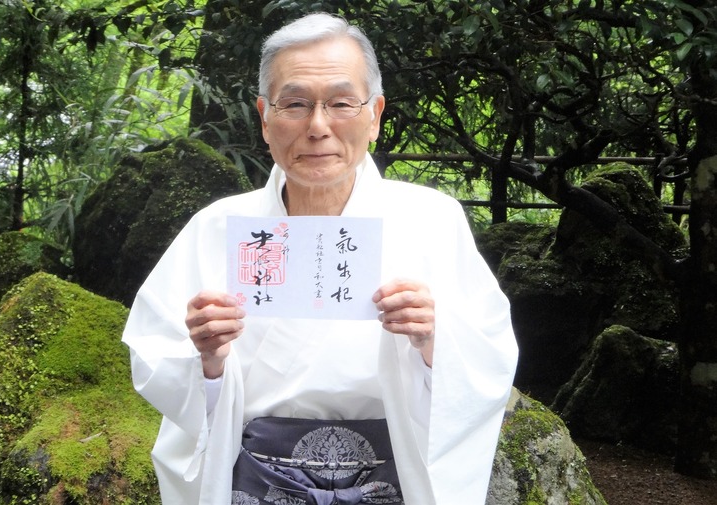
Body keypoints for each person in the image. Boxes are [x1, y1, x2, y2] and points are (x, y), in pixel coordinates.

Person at [122, 12, 518, 505]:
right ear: (264, 117)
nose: (317, 126)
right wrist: (206, 360)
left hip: (386, 485)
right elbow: (157, 358)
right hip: (259, 487)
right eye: (294, 104)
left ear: (374, 114)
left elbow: (490, 361)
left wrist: (435, 339)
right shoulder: (216, 227)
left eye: (340, 103)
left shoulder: (431, 219)